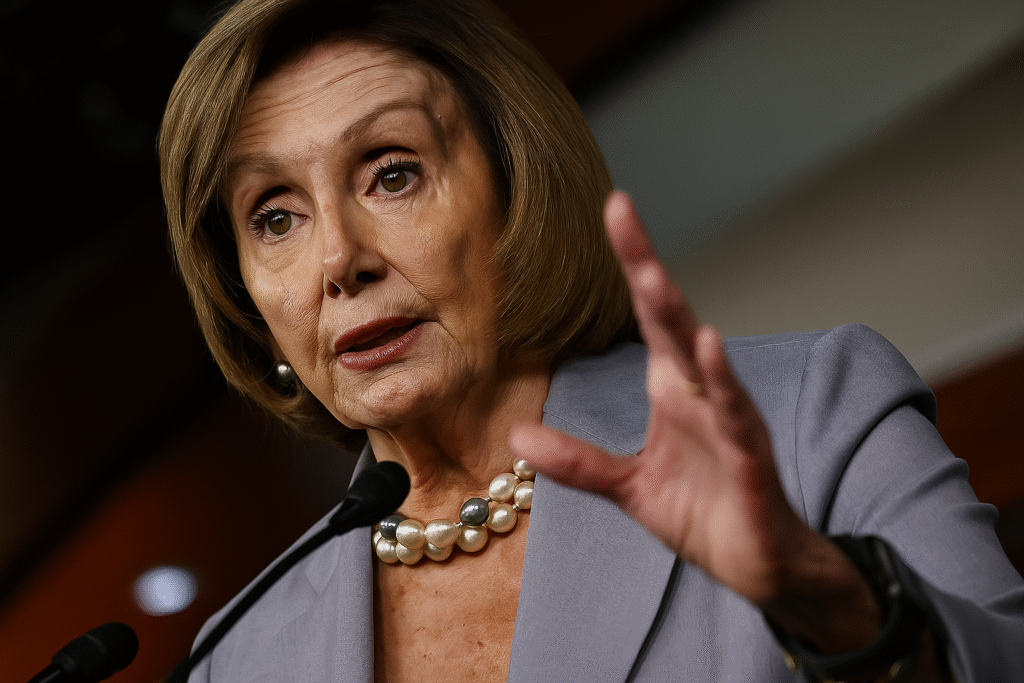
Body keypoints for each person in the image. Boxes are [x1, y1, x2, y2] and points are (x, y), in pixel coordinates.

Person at [158, 0, 1024, 680]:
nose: (338, 259)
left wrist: (839, 610)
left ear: (516, 189)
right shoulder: (241, 652)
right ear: (244, 292)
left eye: (392, 172)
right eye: (274, 217)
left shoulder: (812, 414)